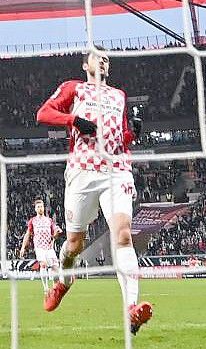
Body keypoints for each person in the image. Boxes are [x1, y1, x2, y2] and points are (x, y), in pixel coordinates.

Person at [36, 49, 152, 334]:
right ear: (85, 64)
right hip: (82, 170)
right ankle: (64, 281)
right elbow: (43, 113)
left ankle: (131, 310)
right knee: (74, 244)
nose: (102, 61)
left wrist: (132, 133)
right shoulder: (74, 88)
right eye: (97, 57)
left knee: (123, 234)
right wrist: (73, 120)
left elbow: (121, 139)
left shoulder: (118, 96)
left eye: (106, 59)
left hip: (116, 169)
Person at [18, 199, 63, 293]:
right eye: (38, 207)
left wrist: (56, 233)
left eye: (41, 206)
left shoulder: (49, 220)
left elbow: (55, 231)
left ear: (44, 208)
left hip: (49, 247)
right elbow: (27, 234)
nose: (40, 208)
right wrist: (23, 247)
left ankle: (55, 288)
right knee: (43, 265)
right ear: (35, 209)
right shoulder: (33, 221)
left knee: (56, 268)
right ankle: (46, 288)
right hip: (39, 247)